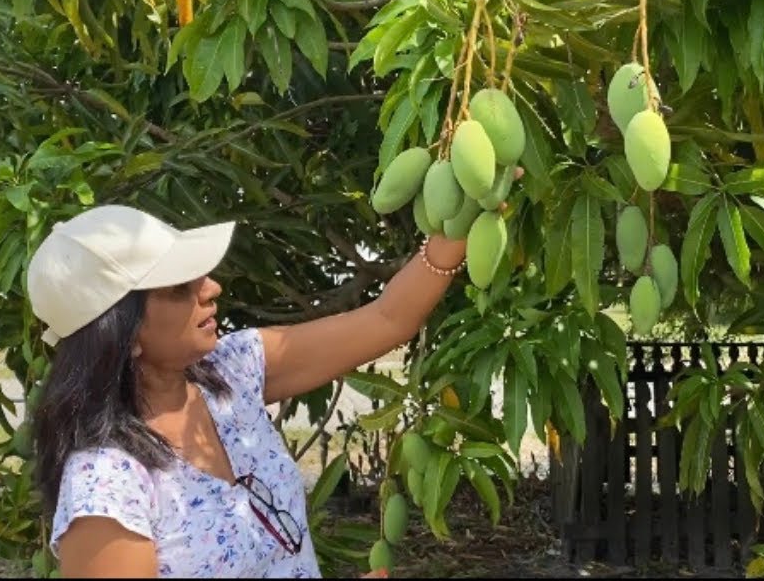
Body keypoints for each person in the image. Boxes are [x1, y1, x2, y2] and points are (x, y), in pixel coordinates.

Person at [24, 203, 470, 578]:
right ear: (122, 332)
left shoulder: (230, 372)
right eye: (181, 287)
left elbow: (386, 320)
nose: (211, 288)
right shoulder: (107, 487)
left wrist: (461, 220)